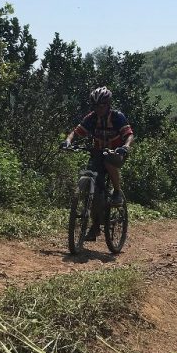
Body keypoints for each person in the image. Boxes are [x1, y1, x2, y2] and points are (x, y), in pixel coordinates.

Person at [61, 86, 133, 240]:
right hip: (97, 153)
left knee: (108, 162)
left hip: (116, 154)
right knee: (92, 190)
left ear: (108, 105)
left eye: (101, 105)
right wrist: (68, 141)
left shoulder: (117, 117)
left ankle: (117, 192)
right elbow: (76, 132)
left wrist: (125, 147)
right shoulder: (91, 117)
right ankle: (95, 227)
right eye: (95, 106)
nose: (98, 109)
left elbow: (128, 135)